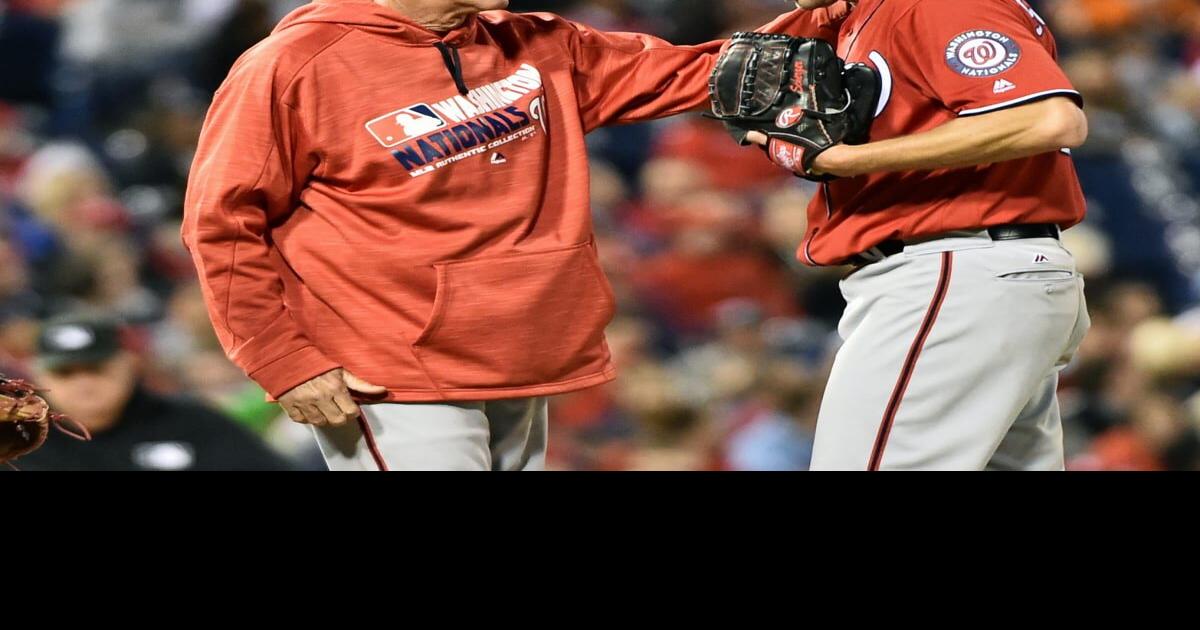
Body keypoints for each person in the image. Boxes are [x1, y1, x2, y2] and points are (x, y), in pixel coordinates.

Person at [182, 0, 846, 470]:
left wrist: (828, 14)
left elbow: (707, 69)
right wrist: (282, 359)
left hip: (522, 355)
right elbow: (223, 221)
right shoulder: (294, 63)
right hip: (392, 371)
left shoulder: (538, 42)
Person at [746, 0, 1091, 470]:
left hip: (955, 275)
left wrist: (843, 160)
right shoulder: (861, 18)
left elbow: (1049, 119)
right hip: (981, 277)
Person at [10, 314, 292, 471]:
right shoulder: (15, 443)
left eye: (96, 368)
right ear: (37, 375)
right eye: (65, 373)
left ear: (129, 365)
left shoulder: (194, 423)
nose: (84, 383)